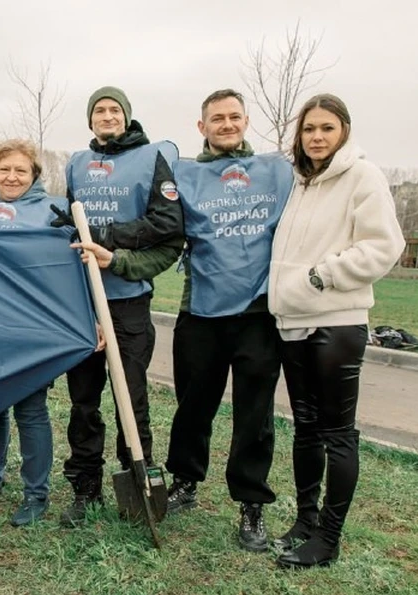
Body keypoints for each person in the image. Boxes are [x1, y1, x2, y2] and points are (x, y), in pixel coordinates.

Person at [269, 94, 405, 568]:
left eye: (327, 128)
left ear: (344, 130)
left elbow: (386, 246)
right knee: (305, 429)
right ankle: (304, 521)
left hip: (335, 323)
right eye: (309, 129)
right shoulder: (301, 182)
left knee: (337, 433)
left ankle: (328, 537)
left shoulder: (362, 177)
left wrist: (322, 275)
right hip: (293, 323)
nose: (317, 137)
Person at [159, 89, 293, 552]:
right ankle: (184, 481)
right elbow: (160, 225)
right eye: (217, 118)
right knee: (193, 405)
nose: (227, 124)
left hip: (258, 314)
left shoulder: (276, 171)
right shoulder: (184, 173)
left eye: (234, 116)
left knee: (254, 415)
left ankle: (251, 505)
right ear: (202, 127)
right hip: (200, 312)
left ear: (246, 121)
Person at [58, 86, 185, 527]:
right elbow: (67, 221)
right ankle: (85, 487)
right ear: (90, 120)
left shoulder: (152, 158)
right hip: (84, 302)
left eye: (114, 110)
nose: (107, 116)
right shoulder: (76, 163)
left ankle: (139, 481)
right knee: (84, 402)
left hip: (128, 301)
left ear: (127, 117)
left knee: (131, 398)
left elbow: (167, 223)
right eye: (99, 110)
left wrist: (108, 236)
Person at [0, 139, 67, 526]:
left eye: (21, 170)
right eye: (4, 169)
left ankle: (36, 493)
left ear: (34, 174)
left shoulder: (54, 210)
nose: (12, 176)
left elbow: (71, 269)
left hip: (32, 328)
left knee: (31, 410)